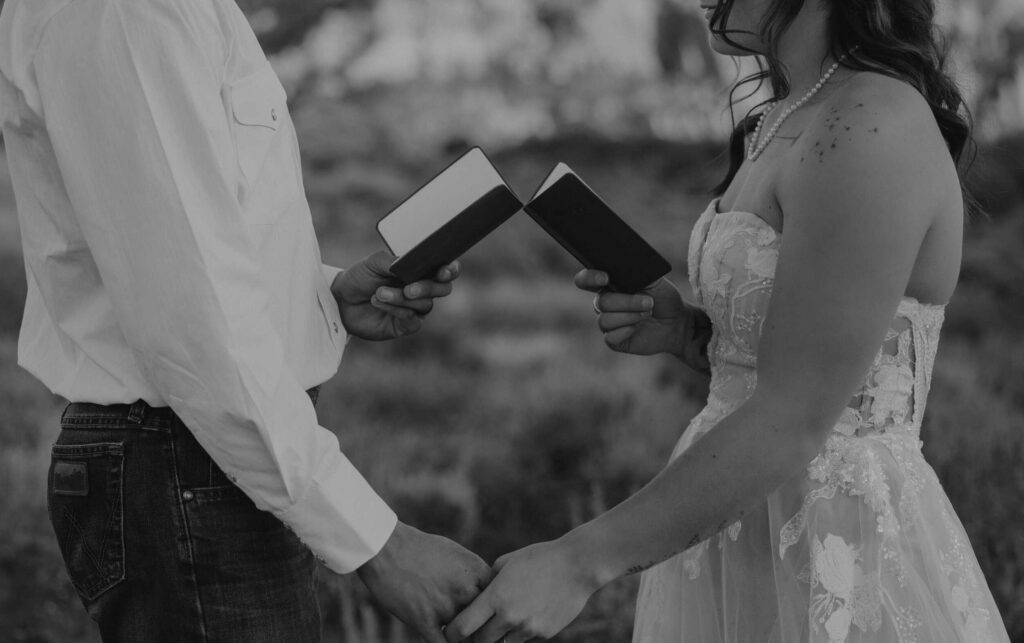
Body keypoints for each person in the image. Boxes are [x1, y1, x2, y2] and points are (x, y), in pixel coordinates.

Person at [444, 0, 1013, 641]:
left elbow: (797, 417)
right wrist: (695, 336)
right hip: (737, 523)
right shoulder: (785, 115)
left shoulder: (871, 123)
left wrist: (577, 562)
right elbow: (806, 354)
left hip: (836, 547)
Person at [0, 0, 490, 641]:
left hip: (201, 462)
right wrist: (380, 543)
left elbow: (183, 263)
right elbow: (193, 328)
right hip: (184, 464)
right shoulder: (128, 12)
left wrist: (321, 299)